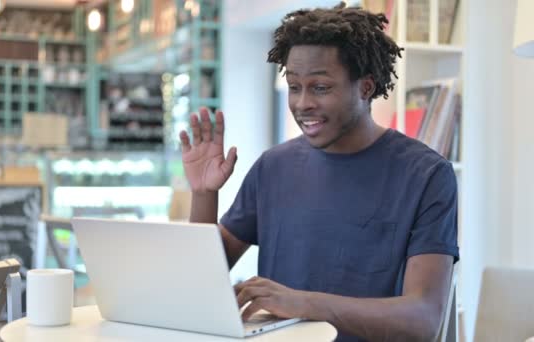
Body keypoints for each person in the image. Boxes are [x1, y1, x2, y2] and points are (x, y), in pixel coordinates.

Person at [179, 4, 459, 342]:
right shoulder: (273, 167)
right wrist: (204, 194)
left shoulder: (427, 175)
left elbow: (422, 320)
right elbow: (199, 281)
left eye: (320, 88)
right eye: (295, 87)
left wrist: (303, 303)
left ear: (366, 88)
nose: (302, 103)